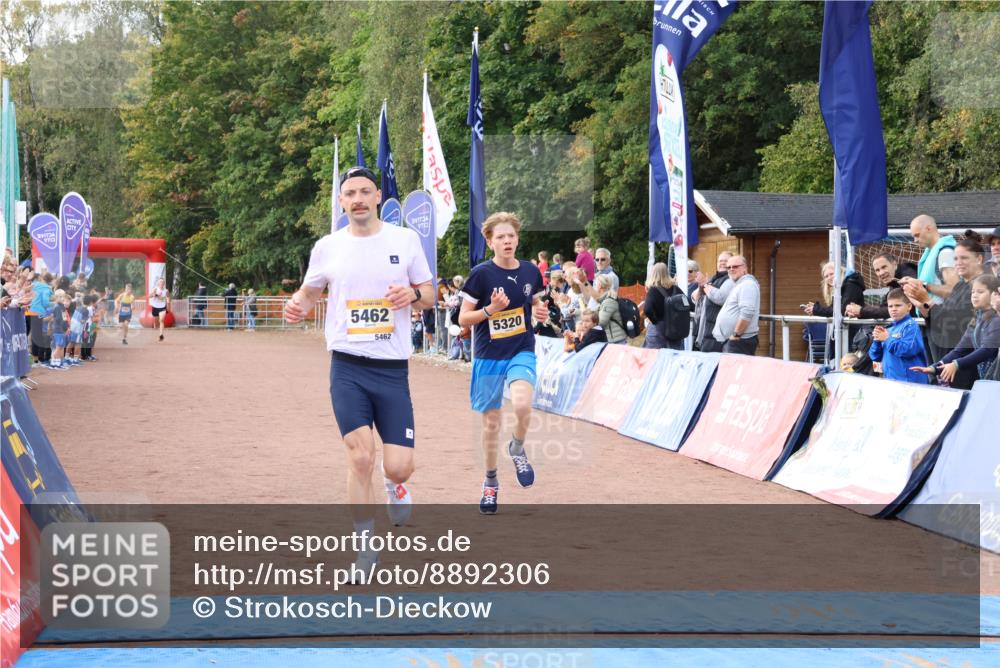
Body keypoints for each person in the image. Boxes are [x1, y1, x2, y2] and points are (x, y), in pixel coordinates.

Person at [283, 166, 434, 573]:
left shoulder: (405, 240)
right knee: (360, 457)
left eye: (365, 191)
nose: (358, 199)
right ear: (341, 201)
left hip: (392, 369)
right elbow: (310, 291)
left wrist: (414, 293)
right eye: (350, 193)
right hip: (347, 367)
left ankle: (393, 484)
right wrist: (298, 305)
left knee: (398, 464)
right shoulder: (327, 246)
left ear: (378, 196)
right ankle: (365, 550)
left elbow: (431, 294)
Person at [458, 211, 550, 515]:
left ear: (517, 238)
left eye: (511, 235)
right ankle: (490, 481)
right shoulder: (481, 274)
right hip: (488, 356)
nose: (507, 241)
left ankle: (518, 448)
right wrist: (490, 310)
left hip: (521, 349)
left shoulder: (530, 272)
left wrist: (540, 313)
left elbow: (537, 304)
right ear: (490, 241)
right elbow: (463, 318)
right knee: (491, 425)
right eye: (500, 237)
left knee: (523, 404)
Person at [901, 234, 986, 387]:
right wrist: (919, 301)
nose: (958, 263)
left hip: (972, 364)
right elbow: (943, 317)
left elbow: (959, 321)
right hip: (953, 358)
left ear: (979, 259)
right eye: (956, 259)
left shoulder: (983, 286)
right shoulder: (960, 286)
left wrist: (926, 299)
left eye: (964, 258)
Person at [910, 274, 1000, 385]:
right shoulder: (976, 321)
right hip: (988, 382)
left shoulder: (996, 320)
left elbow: (987, 350)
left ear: (994, 294)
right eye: (972, 292)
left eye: (980, 292)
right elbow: (959, 350)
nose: (974, 296)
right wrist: (934, 368)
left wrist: (957, 364)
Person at [804, 260, 866, 359]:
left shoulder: (851, 285)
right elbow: (834, 309)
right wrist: (816, 308)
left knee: (850, 362)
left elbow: (842, 310)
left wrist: (817, 310)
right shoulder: (841, 287)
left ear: (840, 272)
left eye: (831, 274)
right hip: (846, 331)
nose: (829, 278)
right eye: (826, 276)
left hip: (854, 333)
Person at [869, 288, 928, 384]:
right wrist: (877, 340)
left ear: (909, 306)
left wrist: (887, 339)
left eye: (898, 305)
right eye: (890, 306)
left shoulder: (911, 326)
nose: (893, 309)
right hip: (891, 381)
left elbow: (908, 350)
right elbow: (875, 357)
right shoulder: (889, 328)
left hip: (910, 382)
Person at [845, 253, 918, 320]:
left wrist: (861, 311)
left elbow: (893, 310)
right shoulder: (893, 284)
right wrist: (857, 310)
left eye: (884, 267)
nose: (881, 273)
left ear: (895, 265)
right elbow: (883, 307)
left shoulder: (907, 275)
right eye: (877, 270)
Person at [712, 255, 760, 355]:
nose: (731, 269)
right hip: (736, 341)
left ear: (745, 268)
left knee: (737, 370)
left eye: (735, 266)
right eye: (728, 267)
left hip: (739, 341)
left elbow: (747, 313)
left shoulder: (747, 284)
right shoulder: (740, 284)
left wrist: (736, 335)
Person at [910, 214, 958, 302]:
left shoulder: (945, 253)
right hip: (935, 312)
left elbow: (954, 291)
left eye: (917, 235)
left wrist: (923, 285)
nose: (915, 241)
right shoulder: (930, 254)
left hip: (945, 314)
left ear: (929, 228)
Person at [692, 251, 733, 352]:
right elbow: (694, 297)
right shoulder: (714, 279)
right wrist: (702, 287)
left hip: (717, 333)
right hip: (705, 331)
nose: (722, 263)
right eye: (720, 261)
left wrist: (705, 284)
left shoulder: (731, 280)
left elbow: (720, 298)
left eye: (725, 261)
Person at [642, 262, 683, 350]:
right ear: (667, 273)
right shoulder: (676, 289)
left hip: (657, 330)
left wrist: (654, 321)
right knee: (674, 357)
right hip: (674, 329)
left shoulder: (653, 290)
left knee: (654, 357)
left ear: (653, 274)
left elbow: (647, 310)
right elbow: (689, 305)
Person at [595, 273, 627, 344]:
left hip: (616, 340)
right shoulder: (606, 299)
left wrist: (589, 322)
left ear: (599, 286)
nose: (595, 287)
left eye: (595, 284)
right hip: (615, 339)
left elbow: (601, 322)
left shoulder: (608, 301)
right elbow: (594, 312)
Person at [149, 276, 170, 341]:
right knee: (156, 323)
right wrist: (155, 294)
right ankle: (156, 326)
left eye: (162, 282)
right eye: (160, 282)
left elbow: (168, 297)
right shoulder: (155, 289)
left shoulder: (166, 291)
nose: (161, 283)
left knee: (161, 320)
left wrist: (168, 304)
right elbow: (149, 296)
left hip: (162, 307)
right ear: (158, 283)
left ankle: (161, 335)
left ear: (164, 283)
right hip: (155, 307)